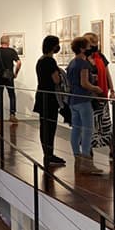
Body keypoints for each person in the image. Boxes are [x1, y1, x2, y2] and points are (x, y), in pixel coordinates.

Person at [83, 31, 115, 164]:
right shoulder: (82, 59)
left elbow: (107, 74)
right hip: (89, 98)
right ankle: (88, 151)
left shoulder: (100, 57)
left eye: (96, 43)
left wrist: (112, 90)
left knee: (107, 124)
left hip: (102, 97)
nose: (95, 46)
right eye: (92, 44)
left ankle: (113, 151)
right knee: (90, 125)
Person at [66, 36, 105, 175]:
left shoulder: (72, 63)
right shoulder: (83, 64)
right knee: (88, 131)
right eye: (88, 46)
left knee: (76, 130)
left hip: (73, 100)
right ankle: (87, 163)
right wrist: (97, 89)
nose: (91, 48)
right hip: (83, 100)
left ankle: (77, 159)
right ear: (82, 49)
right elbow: (84, 83)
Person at [33, 35, 66, 167]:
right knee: (50, 126)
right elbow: (56, 80)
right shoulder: (50, 61)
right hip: (50, 97)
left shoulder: (40, 60)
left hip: (41, 95)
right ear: (53, 46)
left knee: (44, 126)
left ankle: (47, 153)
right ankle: (49, 154)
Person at [0, 35, 21, 124]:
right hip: (9, 77)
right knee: (12, 95)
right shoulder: (12, 51)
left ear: (0, 42)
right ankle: (12, 115)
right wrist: (16, 73)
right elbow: (19, 63)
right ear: (8, 42)